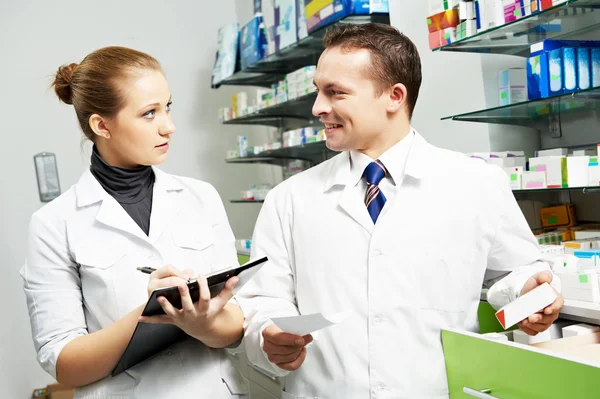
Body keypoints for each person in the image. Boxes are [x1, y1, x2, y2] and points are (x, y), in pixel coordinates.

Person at [235, 23, 565, 398]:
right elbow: (262, 300)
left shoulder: (475, 182)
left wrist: (529, 292)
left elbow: (518, 271)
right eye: (317, 91)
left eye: (336, 93)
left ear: (394, 96)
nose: (318, 108)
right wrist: (268, 334)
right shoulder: (289, 198)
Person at [21, 46, 246, 398]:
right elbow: (64, 363)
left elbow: (236, 323)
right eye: (149, 113)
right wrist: (152, 311)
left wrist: (201, 321)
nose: (169, 127)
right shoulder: (54, 223)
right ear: (102, 125)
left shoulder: (201, 197)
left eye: (167, 107)